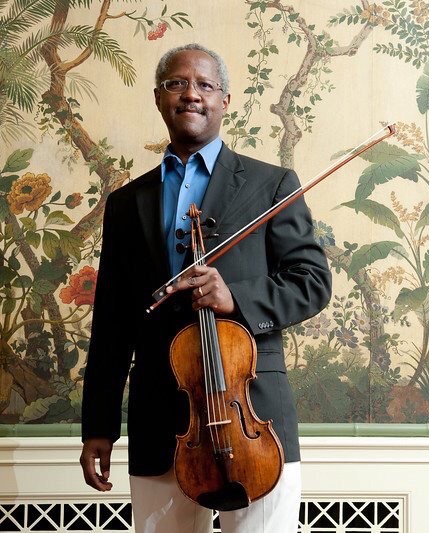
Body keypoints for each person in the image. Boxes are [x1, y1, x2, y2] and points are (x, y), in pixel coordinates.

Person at [79, 43, 332, 533]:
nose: (190, 94)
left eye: (205, 85)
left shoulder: (272, 184)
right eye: (176, 83)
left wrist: (234, 296)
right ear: (158, 98)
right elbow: (111, 324)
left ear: (225, 100)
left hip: (253, 418)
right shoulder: (127, 203)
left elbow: (312, 282)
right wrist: (99, 427)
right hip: (161, 419)